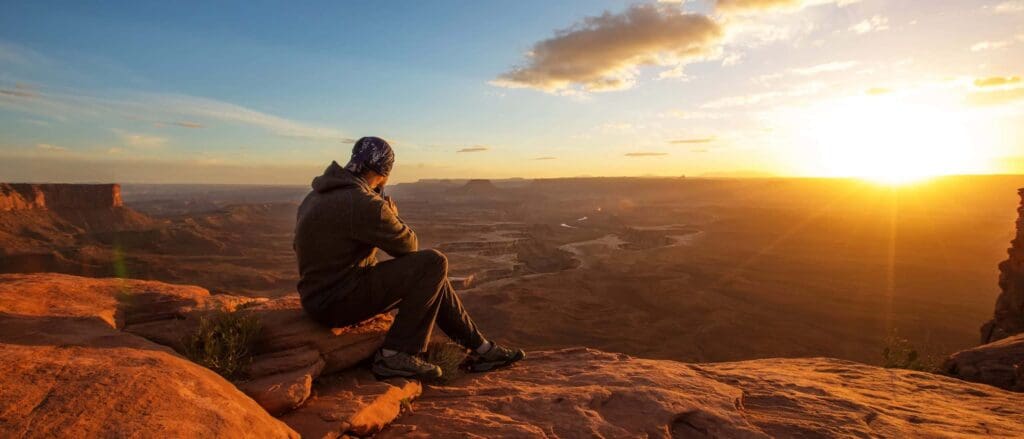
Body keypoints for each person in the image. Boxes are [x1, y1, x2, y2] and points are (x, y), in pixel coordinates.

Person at [294, 136, 525, 379]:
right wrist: (391, 214)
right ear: (384, 171)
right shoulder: (363, 202)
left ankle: (482, 349)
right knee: (433, 263)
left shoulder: (315, 196)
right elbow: (408, 246)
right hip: (337, 302)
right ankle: (396, 354)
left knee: (433, 276)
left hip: (316, 297)